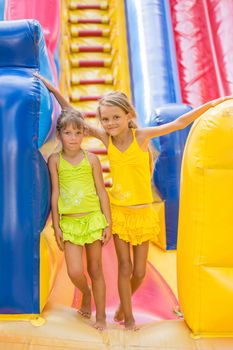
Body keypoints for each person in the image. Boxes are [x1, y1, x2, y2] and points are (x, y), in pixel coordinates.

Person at [34, 72, 232, 330]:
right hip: (119, 213)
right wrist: (52, 89)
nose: (110, 123)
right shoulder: (107, 140)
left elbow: (181, 122)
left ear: (129, 116)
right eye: (105, 119)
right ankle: (127, 317)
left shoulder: (142, 137)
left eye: (116, 117)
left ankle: (121, 307)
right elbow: (74, 114)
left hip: (143, 214)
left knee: (139, 272)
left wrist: (213, 104)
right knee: (124, 267)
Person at [47, 107, 112, 331]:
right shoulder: (55, 160)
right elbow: (55, 193)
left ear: (84, 134)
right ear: (59, 135)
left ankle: (101, 317)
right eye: (68, 133)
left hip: (93, 219)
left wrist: (108, 223)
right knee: (74, 270)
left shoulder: (91, 159)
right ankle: (86, 292)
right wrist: (56, 225)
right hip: (70, 223)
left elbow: (102, 192)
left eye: (78, 133)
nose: (73, 138)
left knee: (96, 269)